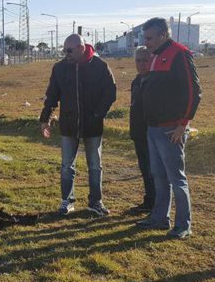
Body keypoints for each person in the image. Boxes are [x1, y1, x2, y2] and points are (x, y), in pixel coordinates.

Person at [136, 17, 201, 239]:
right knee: (158, 176)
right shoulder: (154, 56)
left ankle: (183, 224)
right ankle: (159, 217)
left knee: (176, 178)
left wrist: (182, 125)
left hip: (170, 129)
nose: (146, 42)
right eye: (145, 38)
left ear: (164, 34)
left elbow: (194, 92)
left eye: (150, 38)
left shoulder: (180, 54)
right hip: (153, 128)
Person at [39, 34, 117, 216]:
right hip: (68, 125)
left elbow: (110, 92)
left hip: (93, 126)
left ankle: (96, 202)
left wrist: (97, 115)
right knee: (67, 165)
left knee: (95, 165)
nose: (66, 54)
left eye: (69, 50)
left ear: (82, 49)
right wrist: (45, 119)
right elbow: (52, 96)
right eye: (64, 50)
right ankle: (67, 201)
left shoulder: (100, 66)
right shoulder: (59, 69)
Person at [129, 46, 155, 214]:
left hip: (152, 133)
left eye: (145, 60)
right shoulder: (136, 81)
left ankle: (156, 203)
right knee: (145, 169)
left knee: (154, 171)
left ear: (152, 61)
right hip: (138, 133)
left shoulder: (156, 81)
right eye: (138, 60)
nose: (141, 64)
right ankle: (149, 200)